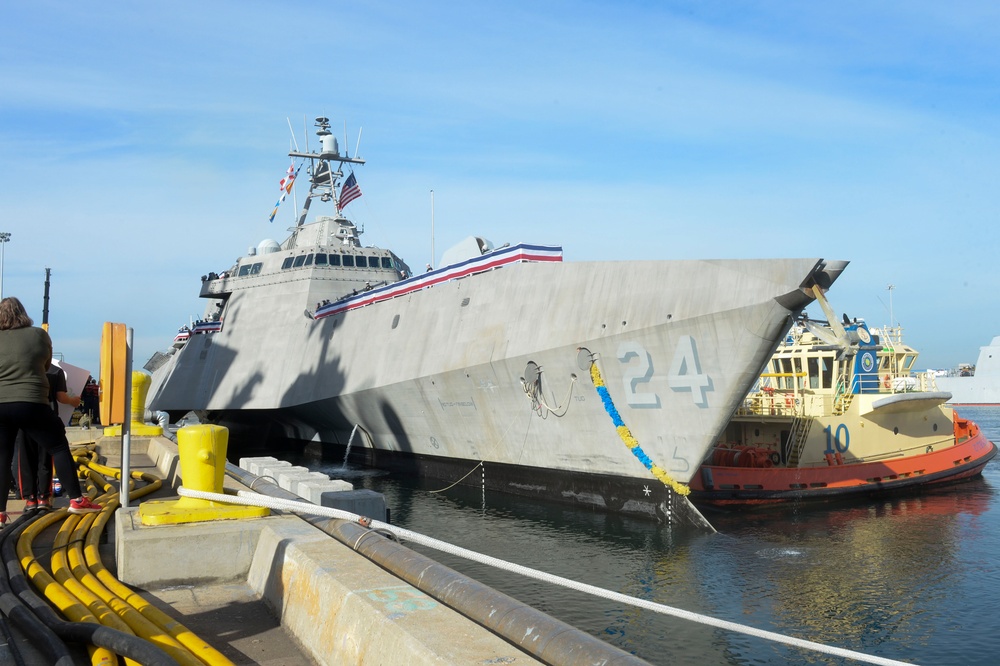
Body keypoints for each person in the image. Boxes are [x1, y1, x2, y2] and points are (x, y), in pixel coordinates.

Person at [0, 297, 102, 524]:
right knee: (57, 446)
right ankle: (76, 500)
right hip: (31, 402)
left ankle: (0, 513)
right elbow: (45, 366)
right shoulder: (38, 335)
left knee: (3, 456)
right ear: (22, 313)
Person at [16, 363, 80, 511]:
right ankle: (44, 498)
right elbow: (61, 397)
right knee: (45, 459)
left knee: (26, 459)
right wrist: (73, 401)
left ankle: (30, 499)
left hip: (23, 418)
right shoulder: (56, 371)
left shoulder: (21, 367)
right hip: (47, 417)